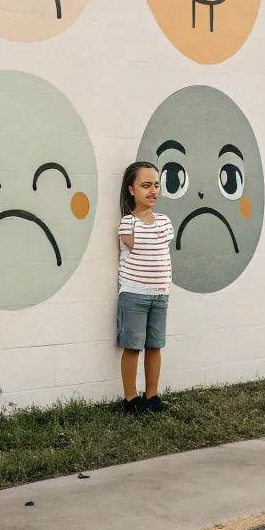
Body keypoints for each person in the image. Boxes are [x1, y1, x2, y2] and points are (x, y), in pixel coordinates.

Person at [117, 160, 174, 415]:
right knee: (133, 346)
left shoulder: (164, 222)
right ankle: (131, 399)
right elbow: (137, 249)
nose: (153, 190)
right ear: (131, 190)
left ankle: (152, 396)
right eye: (145, 185)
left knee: (155, 346)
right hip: (134, 295)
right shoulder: (128, 224)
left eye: (156, 185)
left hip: (160, 295)